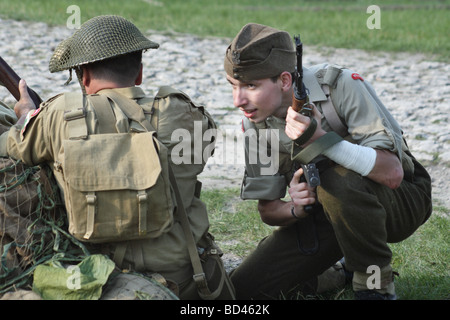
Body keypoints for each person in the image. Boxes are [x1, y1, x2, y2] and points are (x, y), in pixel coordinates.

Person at [0, 15, 234, 300]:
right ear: (139, 74)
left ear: (84, 76)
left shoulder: (58, 115)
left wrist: (28, 119)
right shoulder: (185, 113)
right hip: (189, 281)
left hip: (106, 280)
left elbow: (8, 148)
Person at [224, 23, 432, 300]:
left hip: (399, 201)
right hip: (326, 214)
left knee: (337, 180)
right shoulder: (255, 124)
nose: (238, 99)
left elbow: (392, 173)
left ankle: (374, 287)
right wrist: (296, 208)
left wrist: (319, 139)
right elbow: (269, 211)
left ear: (285, 81)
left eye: (251, 85)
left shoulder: (339, 86)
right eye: (233, 85)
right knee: (244, 290)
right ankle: (338, 273)